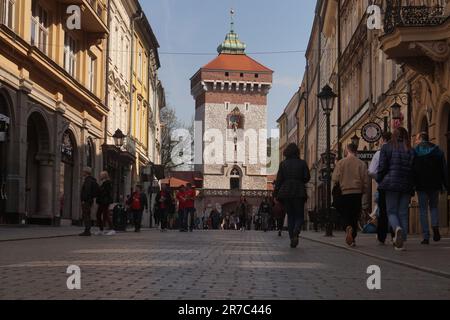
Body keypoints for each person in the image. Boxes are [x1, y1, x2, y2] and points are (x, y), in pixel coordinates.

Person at [377, 127, 414, 251]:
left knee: (391, 211)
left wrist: (379, 179)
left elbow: (382, 167)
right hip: (406, 184)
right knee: (403, 213)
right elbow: (413, 169)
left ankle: (397, 228)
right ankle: (401, 240)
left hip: (391, 184)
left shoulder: (387, 147)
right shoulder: (410, 149)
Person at [413, 132, 448, 245]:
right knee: (434, 207)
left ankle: (426, 236)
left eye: (417, 138)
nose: (416, 141)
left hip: (421, 185)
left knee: (423, 210)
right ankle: (435, 226)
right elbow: (444, 168)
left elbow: (411, 169)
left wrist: (412, 184)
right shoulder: (437, 150)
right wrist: (445, 184)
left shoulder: (415, 151)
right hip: (435, 184)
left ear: (420, 139)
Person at [274, 143, 311, 248]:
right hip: (299, 191)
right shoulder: (302, 163)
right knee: (299, 215)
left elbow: (279, 180)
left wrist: (276, 194)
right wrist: (300, 180)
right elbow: (307, 177)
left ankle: (292, 238)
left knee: (290, 216)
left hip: (286, 192)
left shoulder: (283, 164)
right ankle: (296, 230)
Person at [332, 143, 369, 247]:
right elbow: (365, 180)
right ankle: (353, 238)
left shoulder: (341, 163)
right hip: (357, 192)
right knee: (354, 215)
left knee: (345, 214)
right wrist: (364, 190)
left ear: (347, 150)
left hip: (344, 192)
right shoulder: (361, 164)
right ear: (356, 150)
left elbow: (335, 178)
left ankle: (347, 227)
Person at [368, 132, 393, 244]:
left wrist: (378, 178)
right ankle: (394, 234)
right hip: (397, 185)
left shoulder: (379, 153)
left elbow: (371, 171)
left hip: (383, 185)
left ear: (383, 140)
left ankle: (382, 237)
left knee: (383, 211)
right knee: (395, 211)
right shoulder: (398, 150)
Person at [79, 167, 99, 236]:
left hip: (86, 201)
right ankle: (87, 229)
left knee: (86, 215)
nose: (82, 173)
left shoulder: (88, 180)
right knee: (87, 214)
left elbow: (87, 191)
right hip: (89, 200)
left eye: (83, 172)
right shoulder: (92, 180)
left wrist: (84, 199)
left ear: (86, 172)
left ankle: (87, 230)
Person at [96, 171, 115, 236]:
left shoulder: (107, 183)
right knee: (99, 214)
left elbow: (106, 192)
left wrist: (100, 191)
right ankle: (101, 229)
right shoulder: (104, 183)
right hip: (102, 201)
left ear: (104, 176)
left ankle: (112, 229)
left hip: (105, 201)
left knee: (105, 215)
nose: (100, 176)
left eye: (101, 175)